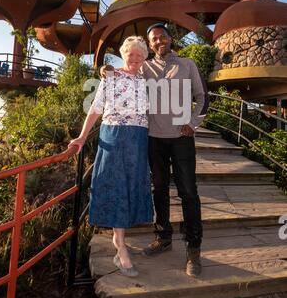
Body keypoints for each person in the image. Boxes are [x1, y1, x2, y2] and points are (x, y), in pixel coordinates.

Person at [101, 23, 209, 276]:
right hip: (153, 138)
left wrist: (193, 123)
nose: (159, 42)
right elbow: (123, 70)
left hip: (181, 138)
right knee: (158, 189)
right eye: (154, 40)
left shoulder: (187, 64)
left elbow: (203, 96)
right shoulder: (145, 68)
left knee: (188, 192)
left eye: (162, 37)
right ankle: (164, 237)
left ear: (170, 39)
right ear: (149, 45)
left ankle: (194, 250)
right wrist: (104, 69)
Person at [68, 36, 153, 277]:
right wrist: (82, 137)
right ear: (123, 54)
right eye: (130, 54)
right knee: (116, 184)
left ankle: (121, 238)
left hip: (138, 138)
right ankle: (120, 245)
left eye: (139, 54)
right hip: (114, 134)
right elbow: (95, 107)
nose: (135, 58)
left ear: (144, 57)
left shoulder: (145, 78)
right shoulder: (111, 76)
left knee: (131, 184)